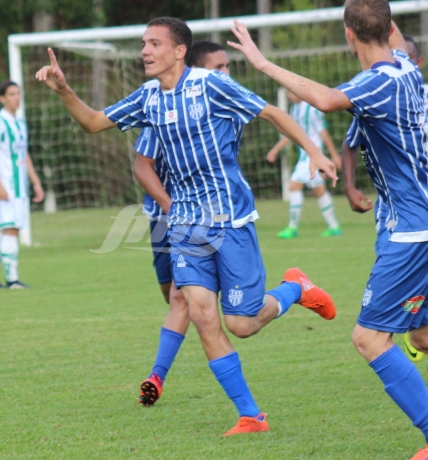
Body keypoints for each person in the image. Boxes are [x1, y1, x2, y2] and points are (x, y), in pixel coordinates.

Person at [36, 17, 338, 436]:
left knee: (242, 324)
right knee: (201, 315)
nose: (145, 50)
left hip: (230, 221)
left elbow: (271, 114)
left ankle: (296, 289)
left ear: (179, 51)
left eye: (154, 43)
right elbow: (92, 122)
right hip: (184, 226)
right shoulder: (147, 97)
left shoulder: (210, 85)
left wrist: (315, 154)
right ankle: (251, 415)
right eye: (143, 43)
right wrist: (65, 90)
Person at [228, 1, 428, 458]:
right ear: (391, 30)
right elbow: (380, 34)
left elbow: (327, 100)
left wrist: (260, 62)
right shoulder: (408, 69)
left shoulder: (375, 82)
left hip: (413, 229)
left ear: (349, 36)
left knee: (369, 338)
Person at [342, 34, 428, 390]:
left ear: (415, 64)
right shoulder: (373, 91)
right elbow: (353, 140)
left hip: (424, 219)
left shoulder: (427, 94)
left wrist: (414, 133)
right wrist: (349, 186)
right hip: (402, 219)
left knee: (371, 337)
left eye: (403, 57)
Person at [132, 41, 237, 408]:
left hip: (206, 220)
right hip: (163, 219)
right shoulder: (161, 109)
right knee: (174, 297)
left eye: (227, 68)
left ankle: (156, 376)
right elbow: (142, 164)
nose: (225, 76)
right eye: (217, 69)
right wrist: (168, 204)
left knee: (183, 299)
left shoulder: (223, 110)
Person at [0, 80, 44, 289]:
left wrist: (35, 182)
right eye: (11, 94)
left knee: (6, 229)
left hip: (20, 186)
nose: (16, 98)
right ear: (2, 98)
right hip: (6, 184)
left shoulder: (20, 124)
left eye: (18, 93)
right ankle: (12, 280)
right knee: (10, 229)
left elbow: (24, 155)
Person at [267, 91, 342, 238]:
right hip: (305, 156)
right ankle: (334, 227)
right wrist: (275, 149)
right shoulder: (295, 109)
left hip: (312, 156)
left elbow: (323, 132)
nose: (288, 95)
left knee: (294, 186)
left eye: (290, 92)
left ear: (298, 93)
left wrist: (334, 154)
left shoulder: (311, 109)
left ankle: (292, 228)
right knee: (319, 191)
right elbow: (292, 134)